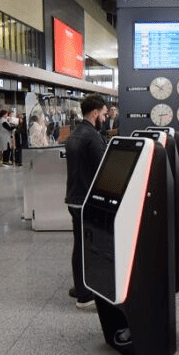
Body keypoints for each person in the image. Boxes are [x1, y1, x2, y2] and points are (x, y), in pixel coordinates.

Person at [65, 94, 108, 310]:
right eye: (104, 114)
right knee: (86, 246)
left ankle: (80, 285)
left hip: (74, 196)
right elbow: (103, 168)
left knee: (80, 244)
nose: (105, 118)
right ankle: (84, 296)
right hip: (85, 199)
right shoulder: (92, 136)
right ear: (95, 113)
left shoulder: (75, 133)